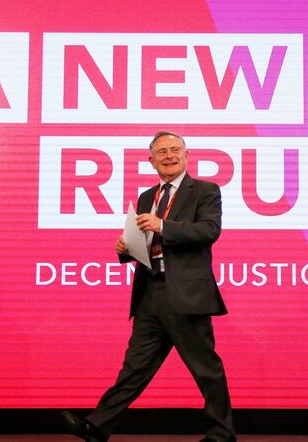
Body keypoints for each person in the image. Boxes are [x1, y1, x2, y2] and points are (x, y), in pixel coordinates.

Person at [62, 131, 236, 442]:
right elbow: (146, 243)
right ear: (150, 159)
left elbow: (209, 231)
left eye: (175, 150)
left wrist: (163, 226)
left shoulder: (205, 191)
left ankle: (221, 435)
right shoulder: (146, 197)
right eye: (162, 152)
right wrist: (126, 248)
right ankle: (97, 426)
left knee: (206, 369)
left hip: (186, 294)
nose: (169, 156)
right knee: (134, 368)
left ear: (186, 155)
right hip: (150, 293)